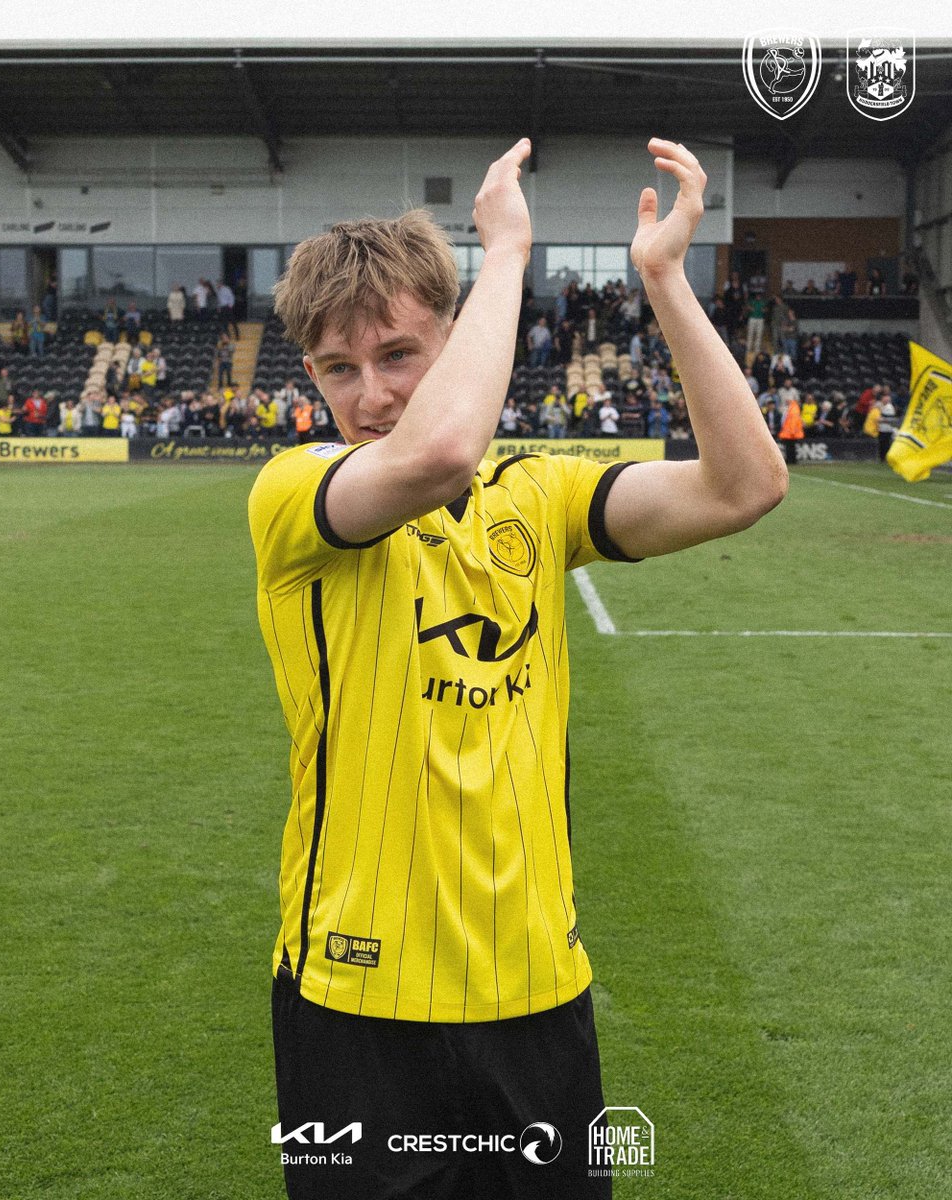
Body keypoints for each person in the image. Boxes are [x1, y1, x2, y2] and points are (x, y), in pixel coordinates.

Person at [247, 137, 787, 1200]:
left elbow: (744, 485)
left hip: (536, 993)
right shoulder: (295, 493)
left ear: (458, 339)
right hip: (357, 1003)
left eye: (399, 354)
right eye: (337, 368)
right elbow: (438, 451)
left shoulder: (537, 495)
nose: (369, 393)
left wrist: (666, 282)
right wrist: (506, 252)